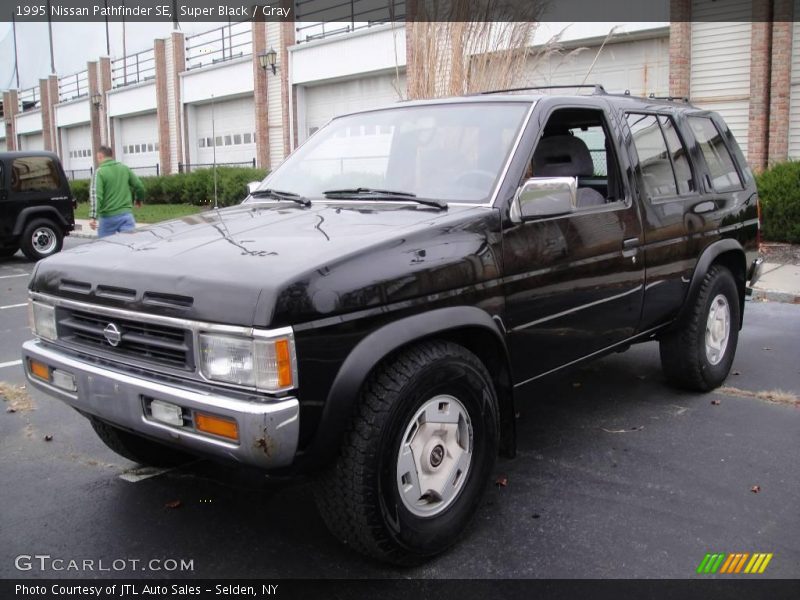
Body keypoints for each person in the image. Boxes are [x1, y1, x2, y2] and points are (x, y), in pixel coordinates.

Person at [89, 146, 145, 237]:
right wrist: (139, 199)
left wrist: (92, 216)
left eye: (97, 158)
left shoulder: (99, 172)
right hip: (126, 216)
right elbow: (139, 186)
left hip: (107, 218)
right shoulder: (124, 168)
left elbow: (96, 196)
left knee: (105, 247)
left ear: (100, 156)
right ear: (111, 156)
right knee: (130, 245)